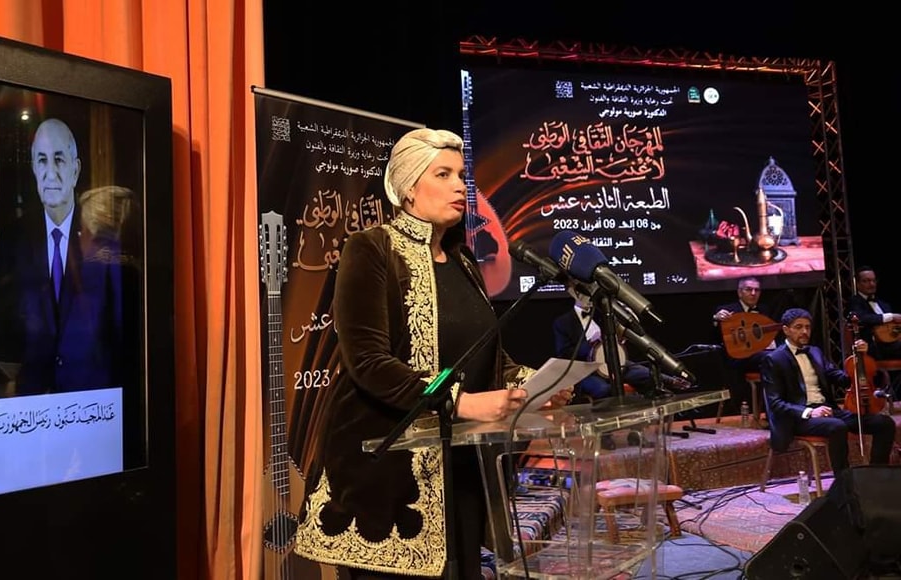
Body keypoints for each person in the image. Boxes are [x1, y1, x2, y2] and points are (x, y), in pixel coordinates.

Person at [293, 128, 572, 579]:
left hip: (461, 469)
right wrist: (460, 401)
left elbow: (485, 357)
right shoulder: (372, 249)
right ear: (407, 188)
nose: (460, 186)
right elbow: (368, 362)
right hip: (386, 476)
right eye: (443, 174)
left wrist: (534, 386)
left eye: (461, 175)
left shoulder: (463, 261)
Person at [0, 118, 124, 398]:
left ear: (76, 169)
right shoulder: (14, 239)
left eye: (59, 160)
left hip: (91, 400)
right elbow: (1, 325)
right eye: (42, 161)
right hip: (32, 400)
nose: (50, 173)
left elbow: (119, 334)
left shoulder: (102, 239)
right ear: (34, 169)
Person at [761, 308, 896, 476]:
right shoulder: (774, 359)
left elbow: (841, 379)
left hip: (828, 411)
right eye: (798, 327)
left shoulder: (815, 352)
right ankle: (844, 481)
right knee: (837, 426)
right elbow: (775, 403)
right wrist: (810, 412)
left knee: (884, 423)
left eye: (808, 327)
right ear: (786, 330)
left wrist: (859, 358)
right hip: (799, 418)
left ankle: (877, 475)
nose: (804, 331)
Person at [552, 286, 687, 403]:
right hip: (586, 372)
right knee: (604, 389)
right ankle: (612, 421)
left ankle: (670, 381)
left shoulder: (601, 315)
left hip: (612, 364)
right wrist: (590, 345)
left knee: (648, 377)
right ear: (576, 294)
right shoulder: (563, 322)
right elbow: (564, 354)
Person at [712, 276, 778, 414]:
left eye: (757, 290)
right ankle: (773, 411)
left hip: (760, 357)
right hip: (737, 358)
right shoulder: (727, 310)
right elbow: (714, 333)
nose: (753, 293)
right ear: (739, 292)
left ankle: (775, 409)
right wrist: (716, 319)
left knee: (777, 357)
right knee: (772, 358)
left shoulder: (765, 310)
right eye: (749, 289)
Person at [846, 265, 901, 361]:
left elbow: (892, 329)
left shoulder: (884, 304)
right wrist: (891, 316)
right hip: (870, 347)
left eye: (873, 280)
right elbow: (861, 318)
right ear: (857, 284)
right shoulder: (854, 302)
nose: (871, 284)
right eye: (866, 281)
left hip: (892, 344)